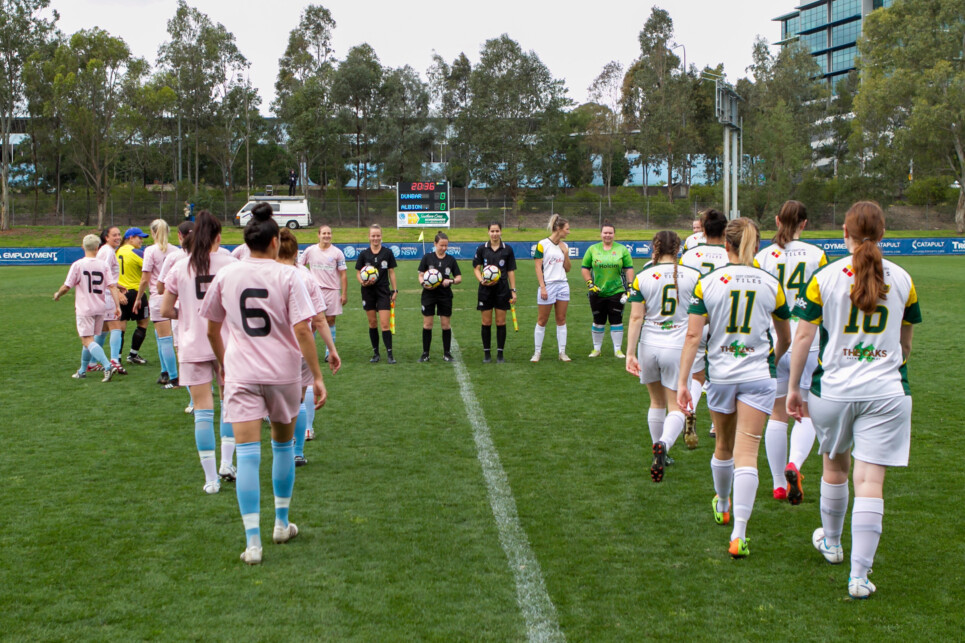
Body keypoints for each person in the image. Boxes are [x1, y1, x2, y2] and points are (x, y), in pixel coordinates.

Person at [787, 201, 921, 599]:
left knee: (835, 467)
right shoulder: (903, 278)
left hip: (835, 389)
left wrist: (794, 387)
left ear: (845, 234)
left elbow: (804, 338)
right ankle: (859, 577)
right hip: (886, 391)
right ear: (883, 234)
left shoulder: (824, 277)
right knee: (870, 481)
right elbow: (906, 343)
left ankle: (831, 543)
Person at [200, 203, 326, 565]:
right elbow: (303, 328)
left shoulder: (228, 274)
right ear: (275, 242)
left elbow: (212, 327)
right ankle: (282, 523)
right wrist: (316, 376)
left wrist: (226, 366)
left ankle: (252, 543)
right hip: (282, 374)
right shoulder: (290, 276)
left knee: (248, 455)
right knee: (283, 448)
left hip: (241, 373)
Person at [677, 217, 791, 559]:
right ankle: (739, 534)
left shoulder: (708, 282)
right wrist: (769, 358)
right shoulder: (771, 283)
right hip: (758, 375)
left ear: (725, 245)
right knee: (748, 453)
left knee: (724, 446)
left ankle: (724, 505)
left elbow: (694, 336)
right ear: (754, 245)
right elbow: (784, 337)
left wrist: (683, 382)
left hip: (722, 375)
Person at [754, 200, 828, 503]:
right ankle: (794, 464)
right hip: (807, 340)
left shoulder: (763, 257)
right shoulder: (817, 255)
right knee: (806, 409)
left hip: (774, 339)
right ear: (805, 224)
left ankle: (778, 485)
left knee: (777, 411)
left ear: (776, 219)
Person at [161, 210, 238, 494]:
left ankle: (210, 480)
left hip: (192, 343)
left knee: (202, 412)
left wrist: (189, 312)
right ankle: (227, 464)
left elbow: (165, 309)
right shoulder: (231, 263)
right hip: (226, 344)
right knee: (229, 403)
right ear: (218, 236)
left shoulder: (181, 266)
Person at [625, 231, 701, 481]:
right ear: (678, 248)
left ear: (654, 247)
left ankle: (658, 449)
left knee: (655, 403)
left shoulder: (643, 276)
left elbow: (636, 317)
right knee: (676, 406)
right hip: (678, 347)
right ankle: (664, 446)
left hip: (649, 344)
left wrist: (630, 353)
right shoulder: (693, 275)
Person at [277, 228, 340, 466]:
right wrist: (331, 349)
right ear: (296, 252)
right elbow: (319, 319)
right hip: (300, 347)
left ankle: (279, 450)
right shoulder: (305, 276)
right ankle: (297, 452)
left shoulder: (262, 274)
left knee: (274, 403)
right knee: (299, 398)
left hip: (267, 348)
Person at [679, 208, 729, 439]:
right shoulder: (731, 253)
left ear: (703, 229)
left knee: (697, 374)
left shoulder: (689, 255)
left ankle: (689, 411)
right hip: (723, 320)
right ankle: (717, 424)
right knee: (721, 372)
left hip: (697, 319)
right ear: (725, 230)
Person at [54, 234, 121, 382]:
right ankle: (82, 370)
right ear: (98, 248)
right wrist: (117, 306)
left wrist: (58, 294)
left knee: (87, 340)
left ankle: (107, 366)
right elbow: (112, 286)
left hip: (85, 308)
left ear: (83, 247)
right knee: (90, 340)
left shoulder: (78, 264)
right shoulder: (103, 265)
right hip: (100, 307)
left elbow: (67, 286)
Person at [133, 219, 180, 386]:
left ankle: (173, 377)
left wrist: (138, 298)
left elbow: (145, 278)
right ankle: (164, 371)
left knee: (164, 338)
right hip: (175, 297)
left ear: (153, 232)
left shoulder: (151, 251)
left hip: (159, 296)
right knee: (162, 337)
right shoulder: (176, 250)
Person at [582, 221, 634, 358]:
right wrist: (590, 284)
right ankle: (596, 349)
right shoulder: (592, 249)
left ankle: (617, 350)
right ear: (601, 234)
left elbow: (628, 268)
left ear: (614, 234)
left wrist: (630, 285)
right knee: (598, 320)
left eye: (610, 233)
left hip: (617, 291)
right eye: (605, 232)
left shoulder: (622, 249)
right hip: (597, 292)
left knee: (616, 320)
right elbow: (585, 267)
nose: (607, 235)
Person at [299, 224, 348, 363]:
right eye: (324, 233)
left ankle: (329, 352)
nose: (327, 236)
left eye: (329, 233)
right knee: (313, 322)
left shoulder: (337, 252)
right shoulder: (310, 250)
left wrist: (344, 293)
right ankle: (311, 352)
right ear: (318, 235)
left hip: (332, 291)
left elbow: (343, 274)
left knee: (331, 320)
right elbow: (299, 266)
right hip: (315, 291)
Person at [473, 221, 517, 363]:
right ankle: (487, 354)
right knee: (486, 322)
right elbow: (476, 268)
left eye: (497, 231)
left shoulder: (507, 250)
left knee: (500, 322)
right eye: (492, 231)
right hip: (485, 290)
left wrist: (513, 290)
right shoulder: (482, 249)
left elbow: (510, 271)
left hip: (502, 289)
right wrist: (482, 280)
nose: (495, 234)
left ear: (501, 232)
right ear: (488, 232)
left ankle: (500, 354)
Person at [531, 214, 572, 362]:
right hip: (548, 285)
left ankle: (562, 353)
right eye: (567, 229)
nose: (569, 232)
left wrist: (565, 254)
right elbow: (537, 267)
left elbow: (567, 269)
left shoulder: (565, 246)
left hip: (562, 285)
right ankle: (537, 353)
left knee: (561, 319)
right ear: (559, 229)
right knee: (542, 320)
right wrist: (543, 287)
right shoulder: (542, 244)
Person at [356, 224, 398, 363]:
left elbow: (391, 272)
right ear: (369, 237)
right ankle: (376, 354)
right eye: (373, 236)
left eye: (378, 235)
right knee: (372, 323)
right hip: (368, 292)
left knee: (385, 324)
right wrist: (362, 282)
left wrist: (395, 290)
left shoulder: (387, 253)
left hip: (383, 291)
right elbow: (358, 272)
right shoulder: (364, 254)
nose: (375, 238)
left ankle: (390, 354)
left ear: (381, 236)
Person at [417, 232, 462, 362]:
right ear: (435, 244)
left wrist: (451, 281)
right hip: (428, 294)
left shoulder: (451, 260)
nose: (443, 248)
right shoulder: (427, 258)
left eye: (446, 245)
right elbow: (420, 275)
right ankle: (425, 353)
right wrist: (423, 284)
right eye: (441, 245)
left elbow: (459, 278)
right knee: (427, 324)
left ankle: (447, 353)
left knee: (446, 325)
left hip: (445, 295)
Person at [115, 227, 151, 365]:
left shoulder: (116, 251)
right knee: (143, 323)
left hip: (120, 293)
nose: (141, 240)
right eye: (139, 237)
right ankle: (133, 355)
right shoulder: (136, 253)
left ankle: (116, 358)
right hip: (136, 292)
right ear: (130, 238)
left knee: (120, 328)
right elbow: (149, 267)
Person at [96, 226, 127, 374]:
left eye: (119, 234)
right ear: (106, 237)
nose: (118, 237)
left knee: (102, 330)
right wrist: (116, 293)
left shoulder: (107, 251)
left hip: (104, 293)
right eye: (114, 235)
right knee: (116, 326)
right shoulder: (107, 252)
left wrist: (118, 285)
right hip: (107, 294)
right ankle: (114, 360)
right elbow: (103, 274)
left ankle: (90, 362)